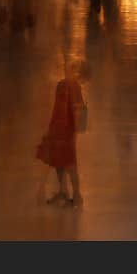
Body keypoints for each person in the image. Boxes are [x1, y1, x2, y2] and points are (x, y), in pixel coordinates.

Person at [36, 68, 86, 207]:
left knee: (64, 162)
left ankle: (72, 195)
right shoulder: (71, 86)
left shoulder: (65, 85)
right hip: (63, 130)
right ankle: (69, 193)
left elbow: (67, 109)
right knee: (65, 162)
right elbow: (75, 109)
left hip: (61, 130)